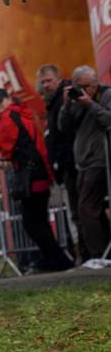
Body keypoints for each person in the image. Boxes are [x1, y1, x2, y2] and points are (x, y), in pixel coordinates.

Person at [0, 88, 73, 272]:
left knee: (31, 223)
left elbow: (6, 146)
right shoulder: (24, 112)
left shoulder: (8, 117)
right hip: (41, 172)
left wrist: (3, 158)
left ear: (6, 100)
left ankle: (57, 260)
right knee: (40, 221)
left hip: (30, 176)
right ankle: (54, 259)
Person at [58, 65, 111, 259]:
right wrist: (66, 105)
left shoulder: (105, 95)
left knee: (87, 208)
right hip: (83, 163)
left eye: (86, 86)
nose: (83, 91)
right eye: (77, 86)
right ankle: (105, 251)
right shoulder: (74, 101)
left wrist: (90, 104)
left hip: (100, 160)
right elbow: (63, 127)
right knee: (90, 209)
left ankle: (97, 254)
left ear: (95, 82)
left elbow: (108, 119)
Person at [37, 63, 83, 260]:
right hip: (65, 165)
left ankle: (87, 252)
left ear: (58, 79)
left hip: (74, 163)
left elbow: (65, 133)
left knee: (80, 210)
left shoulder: (65, 99)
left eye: (49, 81)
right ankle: (83, 251)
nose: (46, 85)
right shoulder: (52, 103)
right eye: (43, 82)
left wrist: (62, 162)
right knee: (74, 211)